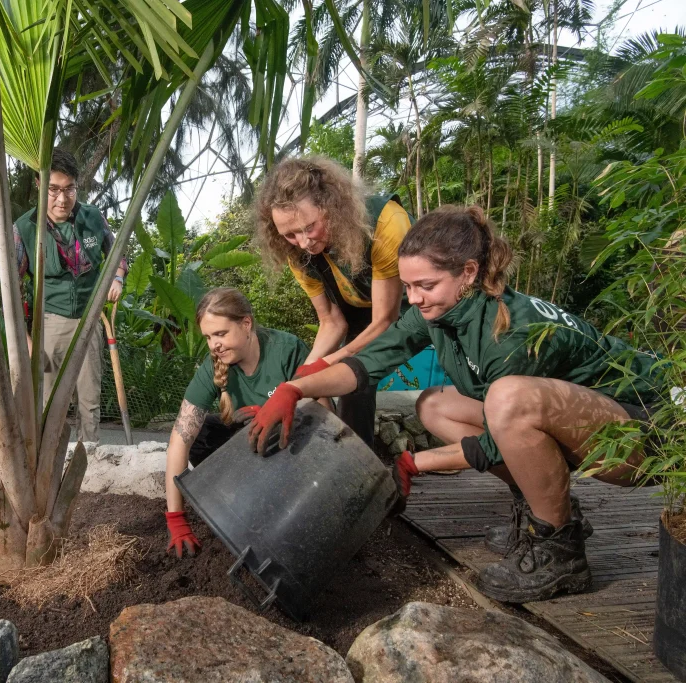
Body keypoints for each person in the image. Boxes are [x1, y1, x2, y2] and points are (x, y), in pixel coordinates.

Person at [245, 205, 665, 603]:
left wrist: (415, 463)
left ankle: (559, 548)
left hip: (644, 440)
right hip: (592, 427)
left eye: (426, 286)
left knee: (507, 400)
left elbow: (500, 438)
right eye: (408, 286)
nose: (413, 299)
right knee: (434, 405)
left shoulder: (511, 332)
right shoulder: (445, 311)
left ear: (468, 272)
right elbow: (368, 363)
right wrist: (293, 389)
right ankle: (541, 504)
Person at [255, 156, 411, 449]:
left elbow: (386, 321)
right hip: (357, 314)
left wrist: (327, 363)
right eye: (290, 234)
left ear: (331, 206)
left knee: (350, 367)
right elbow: (331, 320)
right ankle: (358, 462)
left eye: (309, 227)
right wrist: (303, 375)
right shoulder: (297, 255)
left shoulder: (386, 222)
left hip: (406, 308)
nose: (303, 242)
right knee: (351, 389)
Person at [164, 288, 313, 558]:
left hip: (292, 453)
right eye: (208, 337)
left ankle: (275, 508)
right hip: (248, 446)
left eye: (220, 334)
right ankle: (234, 503)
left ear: (246, 324)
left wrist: (277, 413)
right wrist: (176, 518)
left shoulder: (287, 350)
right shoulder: (214, 365)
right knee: (201, 433)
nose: (214, 345)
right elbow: (179, 440)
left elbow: (324, 414)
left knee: (268, 432)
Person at [13, 148, 127, 444]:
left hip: (90, 319)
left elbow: (116, 253)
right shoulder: (24, 227)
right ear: (39, 185)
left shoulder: (92, 217)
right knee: (49, 397)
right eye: (53, 190)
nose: (62, 199)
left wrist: (117, 276)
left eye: (69, 189)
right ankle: (47, 457)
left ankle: (89, 459)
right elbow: (12, 287)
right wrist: (25, 339)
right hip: (49, 324)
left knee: (89, 398)